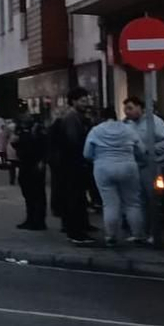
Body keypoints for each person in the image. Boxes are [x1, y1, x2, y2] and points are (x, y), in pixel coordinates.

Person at [82, 100, 146, 247]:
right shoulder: (128, 129)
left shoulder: (96, 130)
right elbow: (141, 150)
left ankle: (111, 236)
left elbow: (87, 153)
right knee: (132, 203)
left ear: (102, 117)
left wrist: (97, 158)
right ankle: (138, 234)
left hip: (103, 167)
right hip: (128, 166)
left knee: (110, 204)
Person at [124, 99, 164, 247]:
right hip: (136, 166)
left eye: (130, 108)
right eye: (126, 109)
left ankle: (155, 233)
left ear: (140, 108)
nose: (127, 112)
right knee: (138, 201)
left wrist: (150, 150)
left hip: (152, 166)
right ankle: (140, 232)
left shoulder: (154, 122)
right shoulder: (128, 124)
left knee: (153, 199)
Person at [47, 95, 94, 244]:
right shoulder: (72, 118)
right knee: (75, 198)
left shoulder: (76, 117)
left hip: (71, 164)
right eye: (82, 100)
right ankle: (75, 231)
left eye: (86, 100)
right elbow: (74, 141)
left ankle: (76, 228)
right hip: (72, 165)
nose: (86, 103)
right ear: (74, 101)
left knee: (76, 198)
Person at [11, 110, 48, 230]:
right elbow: (17, 144)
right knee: (28, 193)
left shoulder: (37, 129)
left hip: (35, 164)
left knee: (37, 194)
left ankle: (38, 221)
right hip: (25, 163)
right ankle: (30, 218)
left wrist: (42, 161)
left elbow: (43, 146)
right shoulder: (22, 130)